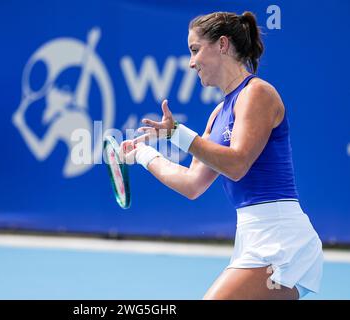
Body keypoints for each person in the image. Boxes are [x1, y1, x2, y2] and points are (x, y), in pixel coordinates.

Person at [121, 11, 323, 300]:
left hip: (281, 239)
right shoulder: (218, 115)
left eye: (195, 50)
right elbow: (193, 184)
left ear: (222, 45)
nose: (191, 62)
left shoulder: (258, 93)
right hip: (253, 239)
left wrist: (177, 133)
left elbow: (238, 164)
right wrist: (143, 154)